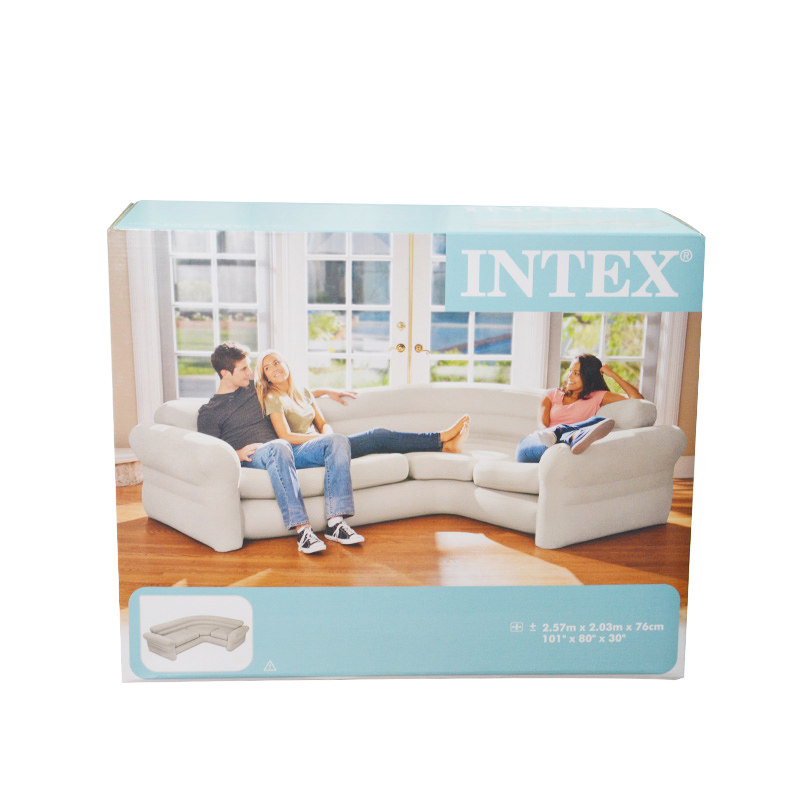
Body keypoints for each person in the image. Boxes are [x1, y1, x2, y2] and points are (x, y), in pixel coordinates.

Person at [198, 342, 362, 555]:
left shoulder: (254, 388)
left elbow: (290, 390)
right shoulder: (210, 412)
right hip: (256, 456)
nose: (250, 372)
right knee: (279, 445)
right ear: (225, 373)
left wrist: (327, 391)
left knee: (337, 440)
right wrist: (237, 454)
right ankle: (303, 531)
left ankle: (336, 523)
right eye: (244, 369)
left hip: (287, 451)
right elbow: (208, 452)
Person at [254, 349, 471, 461]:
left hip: (327, 443)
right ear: (265, 376)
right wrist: (321, 439)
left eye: (276, 362)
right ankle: (440, 437)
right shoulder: (272, 398)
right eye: (267, 368)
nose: (274, 368)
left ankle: (446, 447)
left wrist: (328, 434)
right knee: (378, 436)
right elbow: (285, 436)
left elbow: (322, 423)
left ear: (286, 364)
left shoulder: (303, 392)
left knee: (380, 442)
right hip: (307, 450)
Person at [515, 354, 643, 463]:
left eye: (576, 373)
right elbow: (541, 427)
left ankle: (571, 437)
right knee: (540, 446)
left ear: (588, 376)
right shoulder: (551, 394)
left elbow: (637, 399)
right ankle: (567, 434)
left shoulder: (598, 396)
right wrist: (553, 435)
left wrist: (613, 375)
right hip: (537, 443)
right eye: (570, 371)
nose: (570, 376)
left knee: (599, 420)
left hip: (564, 448)